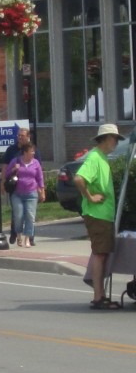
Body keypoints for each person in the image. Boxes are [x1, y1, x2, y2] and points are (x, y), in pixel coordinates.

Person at [74, 123, 124, 310]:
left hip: (103, 213)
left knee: (101, 253)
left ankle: (100, 294)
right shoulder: (94, 158)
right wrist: (90, 197)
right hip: (97, 213)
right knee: (100, 254)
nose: (116, 142)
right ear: (104, 138)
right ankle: (98, 296)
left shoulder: (101, 157)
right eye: (114, 138)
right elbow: (79, 178)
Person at [1, 128, 40, 244]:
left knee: (30, 214)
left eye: (22, 135)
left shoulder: (34, 151)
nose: (20, 137)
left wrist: (41, 188)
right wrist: (2, 182)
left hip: (30, 188)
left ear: (28, 136)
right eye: (18, 135)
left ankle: (30, 238)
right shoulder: (11, 150)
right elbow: (5, 167)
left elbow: (38, 171)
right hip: (15, 185)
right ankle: (15, 233)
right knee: (17, 213)